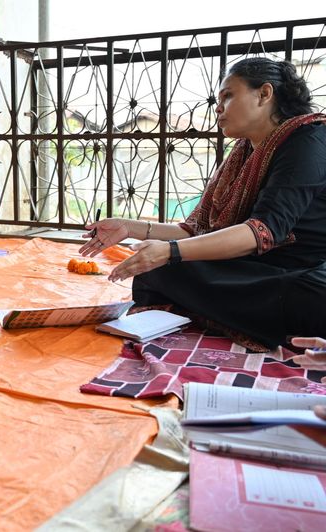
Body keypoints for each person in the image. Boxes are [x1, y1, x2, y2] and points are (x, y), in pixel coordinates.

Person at [80, 57, 326, 349]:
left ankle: (228, 314)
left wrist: (169, 252)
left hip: (300, 275)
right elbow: (197, 230)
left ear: (264, 94)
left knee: (306, 296)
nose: (218, 108)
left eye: (228, 96)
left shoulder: (308, 140)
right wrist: (128, 227)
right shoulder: (243, 153)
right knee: (155, 269)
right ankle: (229, 314)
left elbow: (262, 231)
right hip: (251, 271)